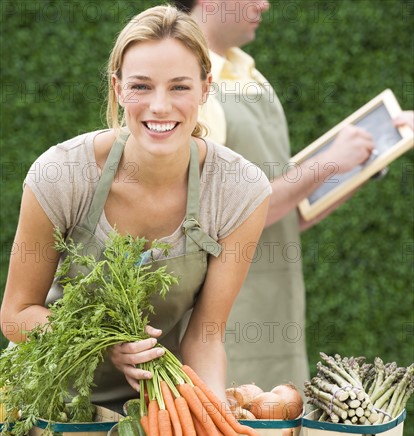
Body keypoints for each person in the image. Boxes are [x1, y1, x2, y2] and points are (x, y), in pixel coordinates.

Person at [0, 4, 271, 405]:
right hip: (43, 402)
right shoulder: (62, 174)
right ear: (118, 88)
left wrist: (216, 418)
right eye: (141, 86)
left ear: (205, 88)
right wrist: (103, 341)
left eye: (179, 86)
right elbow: (16, 315)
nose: (160, 106)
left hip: (151, 410)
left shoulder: (238, 190)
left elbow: (205, 335)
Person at [171, 0, 392, 392]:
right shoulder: (185, 86)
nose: (265, 3)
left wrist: (365, 163)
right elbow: (216, 219)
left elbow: (291, 212)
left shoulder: (250, 76)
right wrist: (326, 164)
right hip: (221, 325)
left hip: (278, 315)